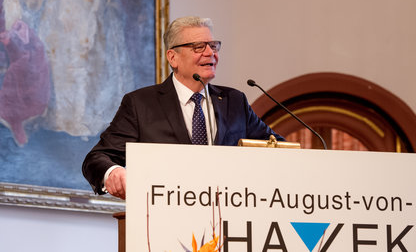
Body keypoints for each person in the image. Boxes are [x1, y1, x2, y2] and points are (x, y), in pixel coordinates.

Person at [82, 16, 284, 200]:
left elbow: (278, 150)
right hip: (164, 219)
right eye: (198, 47)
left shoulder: (234, 101)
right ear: (173, 57)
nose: (210, 53)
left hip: (230, 219)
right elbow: (96, 158)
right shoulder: (141, 104)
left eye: (213, 46)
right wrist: (113, 172)